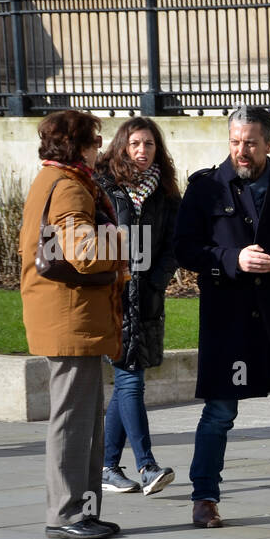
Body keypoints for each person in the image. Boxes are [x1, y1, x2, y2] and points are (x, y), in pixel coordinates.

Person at [175, 106, 270, 528]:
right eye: (235, 142)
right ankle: (204, 496)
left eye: (251, 143)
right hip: (231, 321)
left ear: (268, 145)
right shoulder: (206, 189)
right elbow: (184, 248)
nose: (242, 151)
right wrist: (231, 258)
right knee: (220, 412)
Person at [18, 109, 127, 539]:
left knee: (84, 419)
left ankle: (82, 511)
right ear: (77, 145)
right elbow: (82, 252)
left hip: (70, 316)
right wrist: (126, 243)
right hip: (70, 319)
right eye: (95, 141)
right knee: (72, 420)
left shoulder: (53, 179)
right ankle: (65, 515)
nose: (99, 149)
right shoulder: (68, 187)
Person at [96, 117, 180, 497]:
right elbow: (92, 239)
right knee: (131, 380)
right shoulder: (104, 188)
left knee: (127, 382)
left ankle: (107, 466)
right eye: (135, 144)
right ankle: (146, 466)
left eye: (148, 144)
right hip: (113, 297)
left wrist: (158, 280)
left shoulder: (163, 192)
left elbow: (172, 245)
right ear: (122, 147)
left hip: (146, 298)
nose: (142, 151)